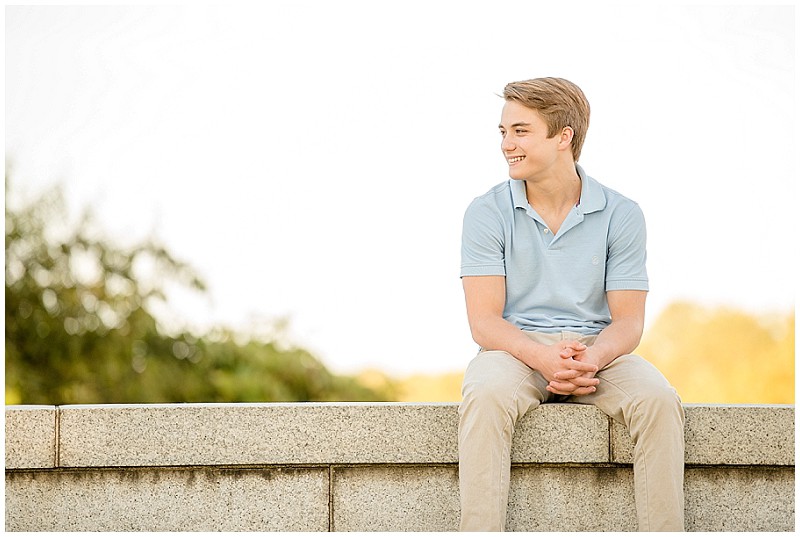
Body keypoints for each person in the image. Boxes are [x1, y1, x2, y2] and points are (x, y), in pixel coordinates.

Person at [458, 77, 685, 532]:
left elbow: (628, 322)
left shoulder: (622, 214)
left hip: (596, 352)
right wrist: (541, 357)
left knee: (659, 400)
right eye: (502, 132)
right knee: (484, 395)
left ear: (564, 137)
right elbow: (484, 321)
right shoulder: (486, 212)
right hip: (514, 351)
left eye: (520, 131)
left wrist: (593, 357)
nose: (506, 144)